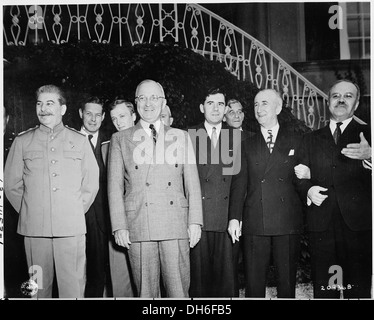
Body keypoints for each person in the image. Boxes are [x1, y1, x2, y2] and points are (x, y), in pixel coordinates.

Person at [107, 79, 203, 297]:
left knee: (179, 291)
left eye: (154, 98)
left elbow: (192, 184)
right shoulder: (120, 139)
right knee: (145, 293)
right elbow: (114, 188)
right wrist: (119, 226)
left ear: (163, 102)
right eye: (142, 98)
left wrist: (195, 221)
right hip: (139, 224)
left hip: (175, 224)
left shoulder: (181, 136)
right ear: (136, 102)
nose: (148, 103)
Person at [4, 84, 99, 298]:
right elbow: (11, 185)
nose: (43, 109)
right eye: (39, 104)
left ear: (63, 109)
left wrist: (72, 211)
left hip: (71, 229)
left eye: (49, 103)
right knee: (37, 289)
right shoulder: (22, 141)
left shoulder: (80, 142)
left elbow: (91, 184)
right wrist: (32, 210)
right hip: (34, 230)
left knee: (73, 288)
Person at [295, 79, 372, 298]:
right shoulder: (309, 139)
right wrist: (308, 190)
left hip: (358, 228)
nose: (341, 100)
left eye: (348, 96)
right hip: (322, 228)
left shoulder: (369, 136)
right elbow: (298, 177)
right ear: (328, 102)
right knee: (326, 290)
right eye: (336, 96)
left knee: (357, 291)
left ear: (356, 104)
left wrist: (371, 156)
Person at [228, 89, 303, 298]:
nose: (259, 109)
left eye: (264, 103)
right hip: (255, 221)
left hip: (287, 222)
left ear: (278, 108)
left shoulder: (297, 140)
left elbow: (306, 178)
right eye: (255, 104)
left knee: (286, 285)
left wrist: (309, 174)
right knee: (254, 285)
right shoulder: (245, 145)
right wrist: (234, 218)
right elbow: (239, 183)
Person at [188, 87, 241, 297]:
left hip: (226, 220)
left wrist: (235, 217)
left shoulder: (235, 137)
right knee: (199, 284)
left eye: (220, 104)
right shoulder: (190, 135)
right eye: (210, 103)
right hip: (198, 219)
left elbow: (238, 183)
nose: (216, 108)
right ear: (202, 107)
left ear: (226, 108)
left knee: (226, 284)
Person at [101, 98, 137, 297]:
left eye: (122, 116)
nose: (118, 122)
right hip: (117, 222)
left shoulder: (151, 143)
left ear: (134, 115)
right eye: (114, 118)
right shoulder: (106, 148)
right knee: (120, 281)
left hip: (143, 219)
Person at [78, 96, 110, 297]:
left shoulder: (110, 141)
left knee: (98, 271)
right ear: (81, 114)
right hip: (76, 217)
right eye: (88, 114)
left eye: (98, 115)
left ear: (103, 117)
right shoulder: (71, 138)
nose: (92, 119)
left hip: (102, 220)